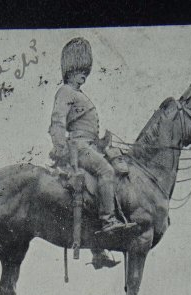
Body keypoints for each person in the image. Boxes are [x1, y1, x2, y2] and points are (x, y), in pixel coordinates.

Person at [49, 37, 135, 269]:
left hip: (90, 145)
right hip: (78, 148)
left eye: (85, 72)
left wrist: (103, 141)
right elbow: (57, 121)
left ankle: (99, 249)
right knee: (106, 171)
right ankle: (108, 223)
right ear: (70, 72)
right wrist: (60, 147)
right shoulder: (65, 91)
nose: (84, 76)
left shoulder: (78, 93)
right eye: (79, 72)